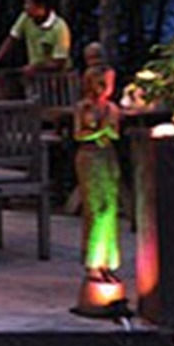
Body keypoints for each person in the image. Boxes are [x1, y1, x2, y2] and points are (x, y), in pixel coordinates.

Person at [74, 63, 122, 281]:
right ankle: (93, 261)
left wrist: (105, 130)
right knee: (96, 209)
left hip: (107, 157)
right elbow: (79, 134)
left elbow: (114, 134)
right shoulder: (83, 108)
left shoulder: (112, 109)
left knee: (110, 207)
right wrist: (99, 131)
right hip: (89, 157)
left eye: (108, 84)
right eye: (100, 84)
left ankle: (108, 261)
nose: (104, 88)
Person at [0, 0, 73, 74]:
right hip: (34, 75)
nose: (25, 7)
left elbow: (59, 62)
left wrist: (36, 67)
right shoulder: (25, 18)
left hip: (58, 77)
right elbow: (11, 39)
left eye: (29, 3)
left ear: (41, 6)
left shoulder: (59, 28)